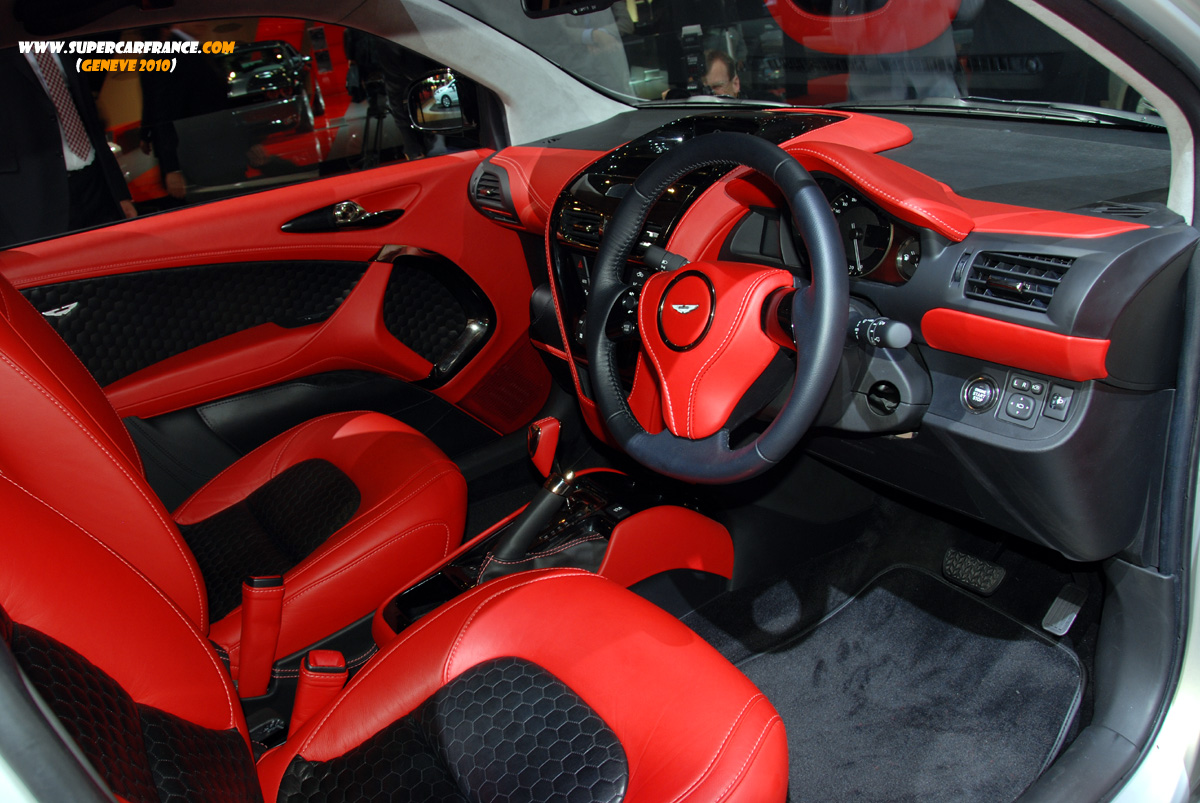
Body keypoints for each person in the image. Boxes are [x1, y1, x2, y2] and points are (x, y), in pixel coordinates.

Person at [0, 48, 135, 247]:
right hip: (32, 197)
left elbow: (89, 114)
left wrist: (119, 192)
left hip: (95, 184)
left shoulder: (64, 40)